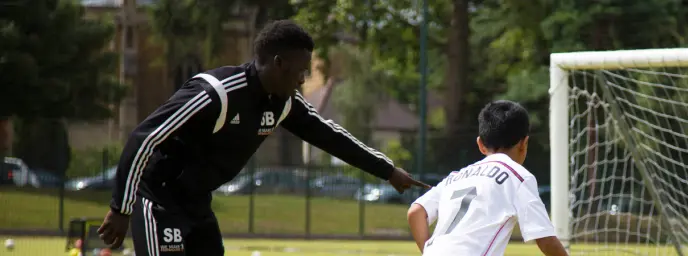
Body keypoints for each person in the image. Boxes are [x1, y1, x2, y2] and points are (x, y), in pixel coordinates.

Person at [97, 20, 430, 256]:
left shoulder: (284, 103)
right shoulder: (217, 93)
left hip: (198, 206)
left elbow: (331, 137)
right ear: (278, 63)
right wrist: (120, 208)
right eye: (301, 71)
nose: (303, 80)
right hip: (159, 202)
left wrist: (388, 171)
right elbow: (145, 137)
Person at [406, 100, 567, 256]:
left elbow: (416, 212)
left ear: (480, 144)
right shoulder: (518, 176)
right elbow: (545, 240)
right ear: (524, 143)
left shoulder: (455, 177)